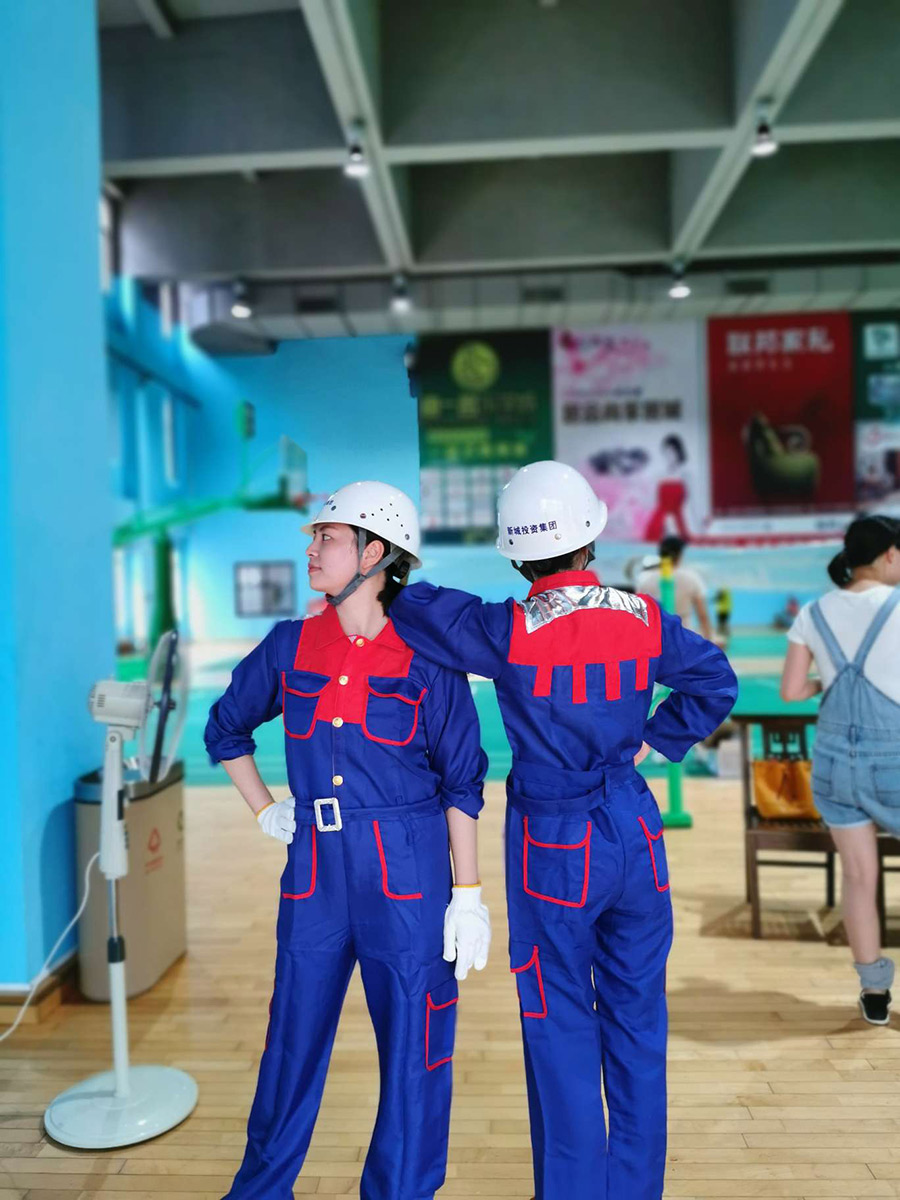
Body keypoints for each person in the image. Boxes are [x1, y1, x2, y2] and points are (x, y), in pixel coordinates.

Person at [388, 460, 737, 1200]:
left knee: (560, 1024)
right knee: (638, 1021)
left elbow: (414, 605)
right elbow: (716, 681)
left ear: (516, 555)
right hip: (636, 833)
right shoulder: (644, 616)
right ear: (591, 539)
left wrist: (384, 558)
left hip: (553, 845)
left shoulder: (504, 630)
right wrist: (655, 739)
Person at [204, 481, 491, 1200]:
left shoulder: (430, 660)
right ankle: (259, 1190)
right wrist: (266, 809)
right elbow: (226, 728)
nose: (311, 549)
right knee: (290, 1040)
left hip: (408, 872)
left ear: (373, 554)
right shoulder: (290, 645)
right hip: (316, 874)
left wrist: (468, 894)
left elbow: (462, 782)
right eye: (315, 537)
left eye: (327, 538)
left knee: (416, 1047)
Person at [781, 514, 900, 1025]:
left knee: (858, 875)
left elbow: (792, 691)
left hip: (833, 764)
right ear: (890, 554)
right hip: (893, 760)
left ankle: (874, 993)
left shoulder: (813, 612)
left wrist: (826, 683)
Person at [638, 534, 713, 641]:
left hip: (657, 638)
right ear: (680, 554)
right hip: (684, 636)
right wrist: (709, 641)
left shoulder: (646, 580)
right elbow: (702, 616)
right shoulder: (692, 578)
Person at [644, 433, 692, 540]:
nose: (669, 456)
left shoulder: (685, 475)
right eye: (666, 452)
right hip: (659, 519)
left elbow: (690, 504)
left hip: (678, 520)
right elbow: (653, 501)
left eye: (672, 452)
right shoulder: (659, 476)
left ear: (678, 452)